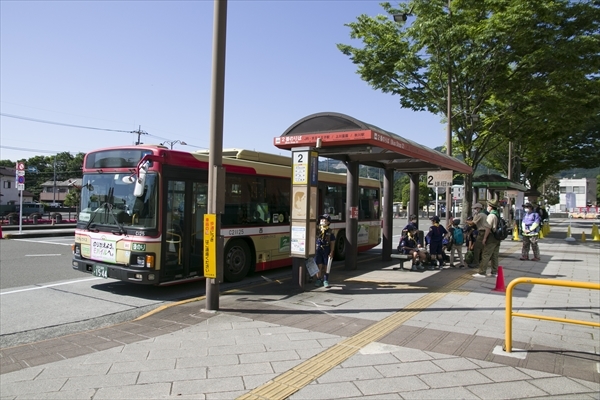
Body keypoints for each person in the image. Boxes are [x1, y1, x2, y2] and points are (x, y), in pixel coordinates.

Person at [472, 199, 501, 278]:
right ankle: (494, 272)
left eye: (488, 206)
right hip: (497, 237)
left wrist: (484, 238)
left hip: (491, 236)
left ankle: (482, 272)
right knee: (495, 255)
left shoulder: (491, 215)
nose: (487, 207)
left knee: (486, 254)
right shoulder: (497, 214)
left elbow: (488, 228)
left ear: (491, 207)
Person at [314, 214, 336, 288]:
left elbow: (332, 242)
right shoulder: (316, 230)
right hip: (317, 249)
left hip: (326, 249)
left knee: (326, 265)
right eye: (321, 220)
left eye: (325, 220)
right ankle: (318, 279)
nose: (323, 221)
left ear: (328, 222)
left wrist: (331, 251)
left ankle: (326, 280)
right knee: (318, 265)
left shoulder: (330, 231)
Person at [467, 203, 487, 268]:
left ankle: (476, 262)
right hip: (484, 232)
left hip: (481, 232)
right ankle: (482, 262)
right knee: (483, 248)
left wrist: (466, 221)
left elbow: (473, 223)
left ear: (478, 208)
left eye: (475, 209)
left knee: (477, 248)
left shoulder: (480, 215)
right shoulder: (484, 214)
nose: (474, 210)